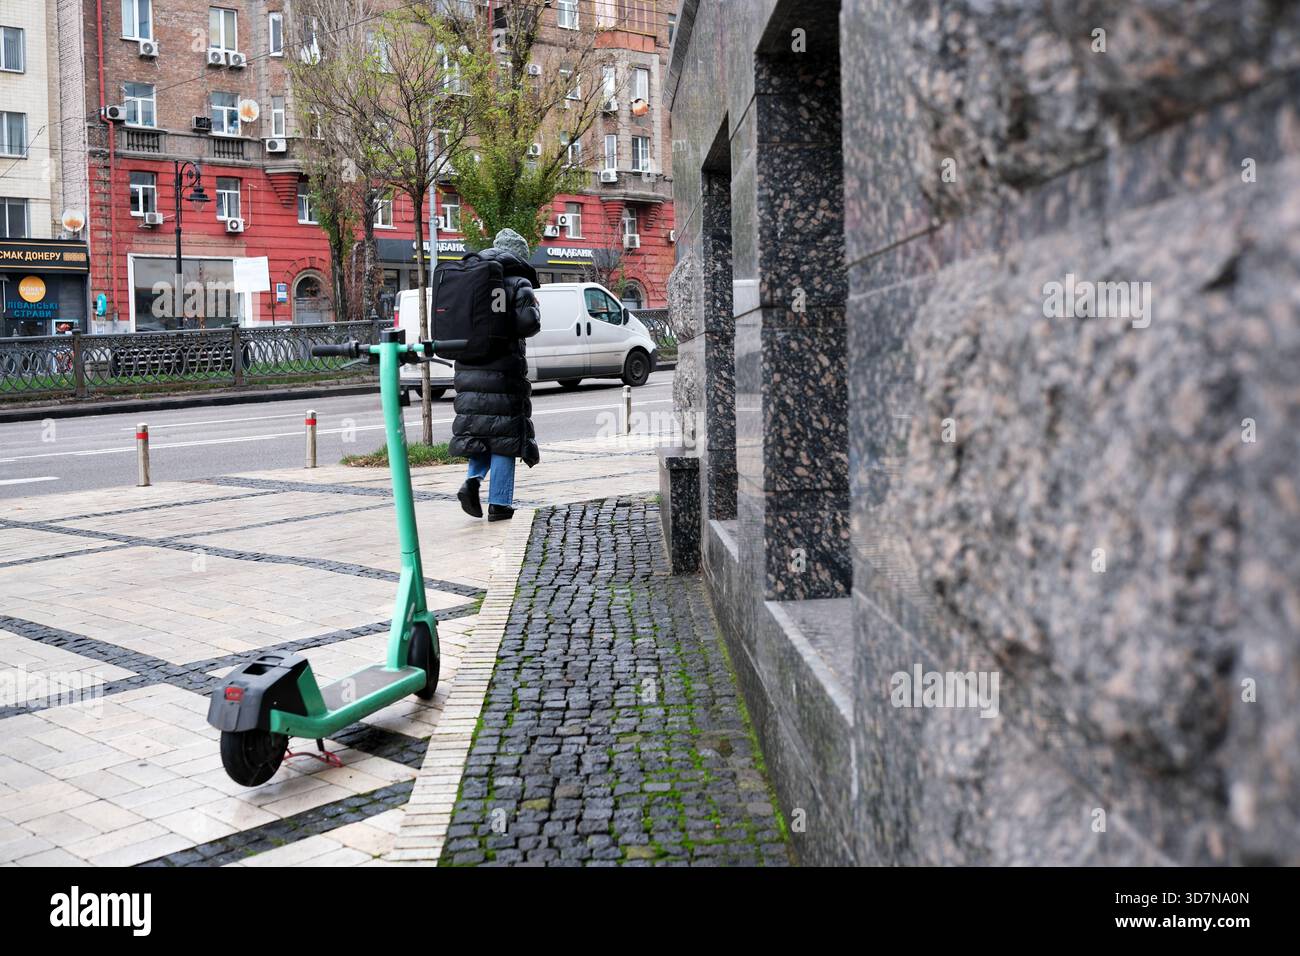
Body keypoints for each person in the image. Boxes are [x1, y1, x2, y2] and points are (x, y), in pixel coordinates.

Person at [451, 228, 541, 521]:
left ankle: (473, 481)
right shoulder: (517, 282)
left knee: (482, 431)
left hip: (468, 366)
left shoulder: (471, 277)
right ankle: (500, 503)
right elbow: (527, 323)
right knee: (504, 436)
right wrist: (534, 311)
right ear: (520, 255)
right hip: (502, 369)